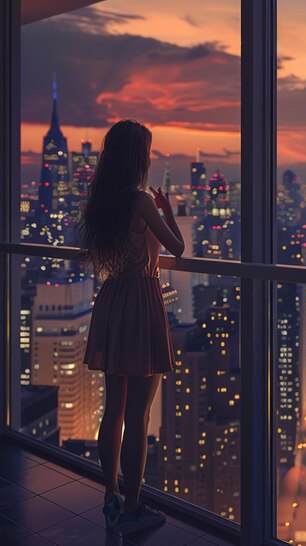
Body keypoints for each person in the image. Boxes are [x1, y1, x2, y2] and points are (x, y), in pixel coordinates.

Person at [80, 119, 185, 535]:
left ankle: (110, 497)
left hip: (112, 299)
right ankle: (134, 507)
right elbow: (176, 248)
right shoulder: (141, 201)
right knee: (138, 415)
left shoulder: (103, 201)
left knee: (114, 408)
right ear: (137, 155)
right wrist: (169, 212)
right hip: (141, 302)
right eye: (147, 149)